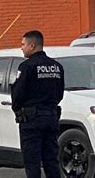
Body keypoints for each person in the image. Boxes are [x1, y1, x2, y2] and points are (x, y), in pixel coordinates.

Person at [11, 30, 64, 178]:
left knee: (32, 161)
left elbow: (18, 94)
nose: (21, 48)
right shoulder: (57, 66)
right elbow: (59, 93)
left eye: (23, 44)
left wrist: (17, 109)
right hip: (51, 118)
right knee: (51, 161)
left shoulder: (26, 67)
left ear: (32, 45)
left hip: (31, 120)